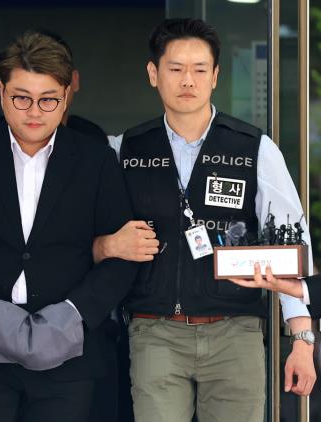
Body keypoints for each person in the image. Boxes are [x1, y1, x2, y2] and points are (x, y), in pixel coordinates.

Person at [93, 18, 316, 422]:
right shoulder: (125, 149)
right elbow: (90, 231)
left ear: (215, 76)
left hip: (235, 333)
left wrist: (302, 338)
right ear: (153, 74)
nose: (187, 81)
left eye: (199, 70)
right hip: (154, 331)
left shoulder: (254, 148)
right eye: (175, 69)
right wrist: (108, 244)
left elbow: (291, 244)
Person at [0, 30, 137, 422]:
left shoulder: (96, 161)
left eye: (47, 100)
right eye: (21, 98)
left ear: (66, 96)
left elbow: (124, 257)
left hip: (70, 353)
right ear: (1, 89)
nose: (34, 112)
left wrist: (75, 313)